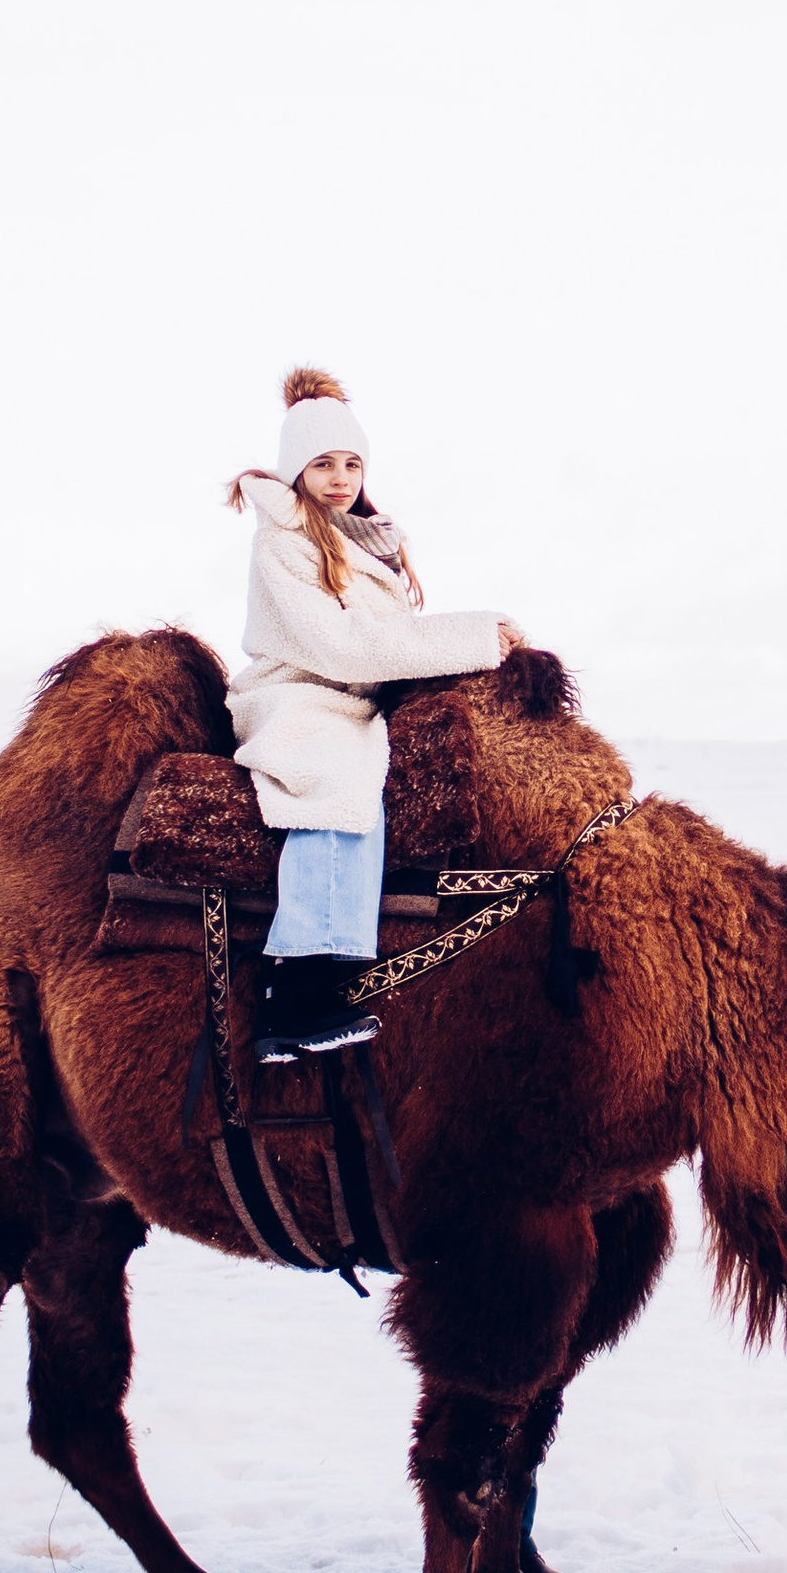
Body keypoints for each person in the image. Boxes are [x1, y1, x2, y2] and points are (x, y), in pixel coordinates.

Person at [227, 367, 505, 1062]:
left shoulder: (362, 542)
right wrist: (472, 636)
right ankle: (294, 992)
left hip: (347, 701)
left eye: (352, 462)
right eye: (322, 463)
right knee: (335, 783)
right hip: (296, 695)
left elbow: (379, 645)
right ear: (296, 471)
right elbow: (343, 646)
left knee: (377, 773)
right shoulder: (281, 545)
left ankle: (346, 968)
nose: (341, 476)